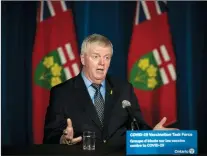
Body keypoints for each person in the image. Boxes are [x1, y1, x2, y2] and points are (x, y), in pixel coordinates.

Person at [43, 34, 177, 147]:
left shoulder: (123, 88)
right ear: (83, 59)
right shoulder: (62, 92)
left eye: (107, 57)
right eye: (96, 56)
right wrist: (63, 140)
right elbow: (50, 137)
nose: (102, 62)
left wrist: (153, 135)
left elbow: (137, 127)